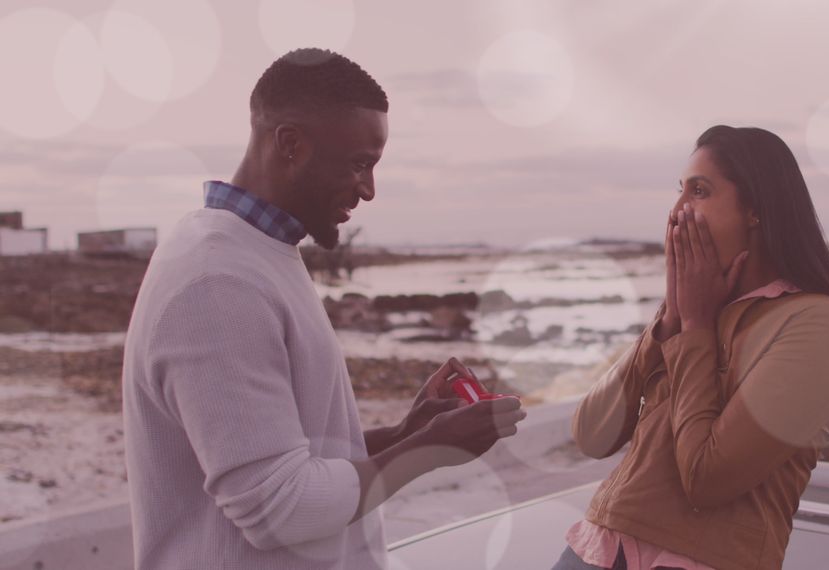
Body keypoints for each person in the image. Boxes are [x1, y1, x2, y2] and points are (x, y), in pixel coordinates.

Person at [121, 48, 526, 569]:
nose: (369, 189)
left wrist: (408, 432)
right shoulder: (216, 282)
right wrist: (426, 450)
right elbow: (279, 509)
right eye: (360, 164)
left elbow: (291, 458)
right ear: (290, 144)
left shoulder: (253, 252)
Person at [554, 125, 829, 570]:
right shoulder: (696, 308)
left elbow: (708, 478)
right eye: (679, 192)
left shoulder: (818, 322)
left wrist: (696, 326)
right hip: (596, 548)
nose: (677, 210)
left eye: (699, 191)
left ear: (756, 209)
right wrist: (668, 321)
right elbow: (591, 434)